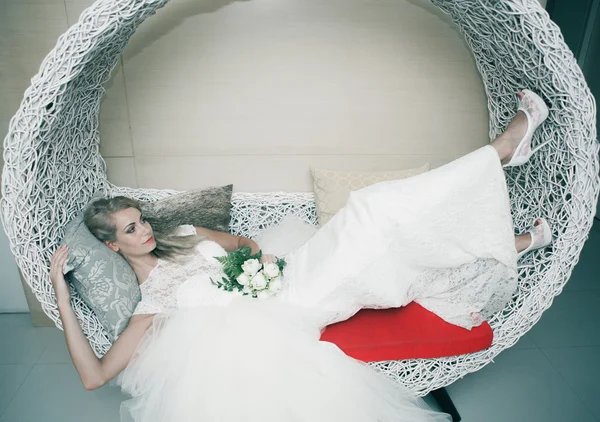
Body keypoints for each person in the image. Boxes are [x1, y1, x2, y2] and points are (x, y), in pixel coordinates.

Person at [50, 90, 552, 422]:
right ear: (114, 246)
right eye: (132, 230)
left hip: (291, 268)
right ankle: (502, 151)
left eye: (142, 219)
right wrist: (60, 293)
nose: (146, 231)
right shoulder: (153, 300)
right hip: (294, 307)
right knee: (377, 221)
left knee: (371, 210)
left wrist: (257, 264)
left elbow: (246, 246)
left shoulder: (180, 231)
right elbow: (94, 378)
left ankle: (515, 235)